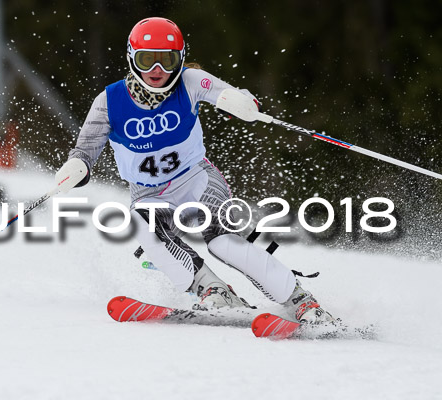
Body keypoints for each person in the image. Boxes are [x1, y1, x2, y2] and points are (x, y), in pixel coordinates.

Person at [55, 17, 334, 324]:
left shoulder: (189, 81)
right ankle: (212, 290)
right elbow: (85, 149)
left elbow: (229, 94)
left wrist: (241, 103)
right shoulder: (109, 101)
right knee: (142, 228)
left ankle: (300, 301)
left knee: (223, 241)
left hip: (196, 180)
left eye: (167, 60)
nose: (157, 71)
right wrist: (76, 167)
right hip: (148, 194)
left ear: (181, 59)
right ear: (131, 58)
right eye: (147, 61)